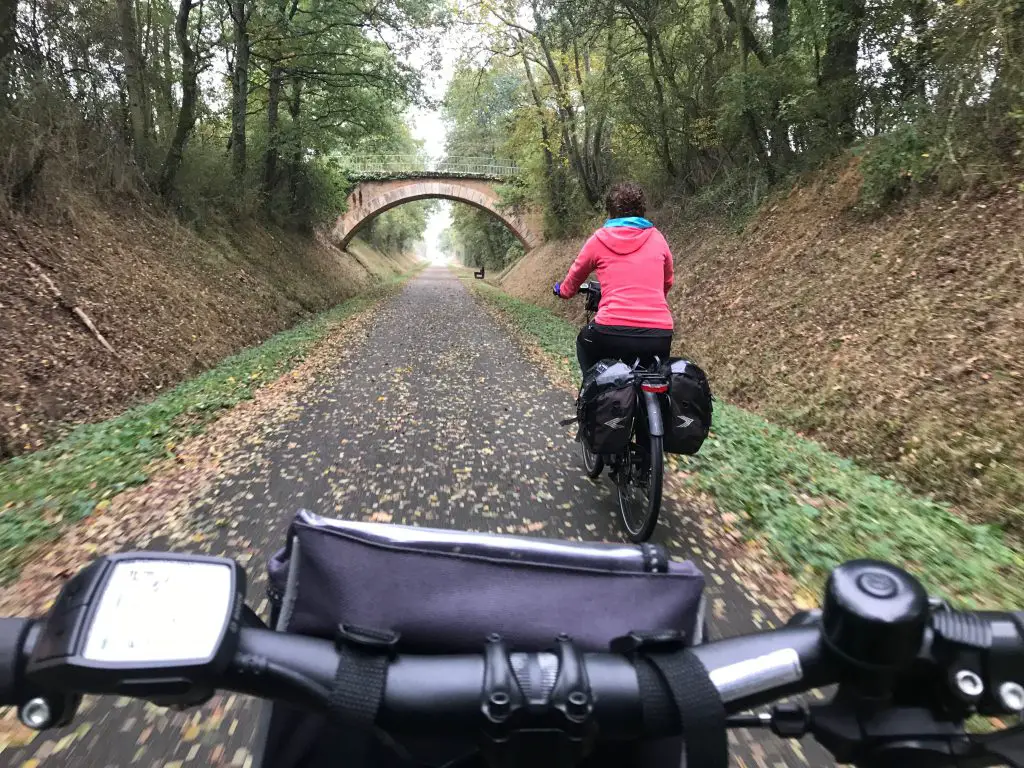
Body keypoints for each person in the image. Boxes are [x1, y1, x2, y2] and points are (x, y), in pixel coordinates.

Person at [554, 182, 674, 374]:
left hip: (611, 330)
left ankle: (590, 397)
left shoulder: (599, 239)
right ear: (642, 210)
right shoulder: (658, 238)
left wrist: (562, 290)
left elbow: (575, 276)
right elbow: (667, 283)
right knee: (655, 376)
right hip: (659, 333)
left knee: (584, 343)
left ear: (610, 212)